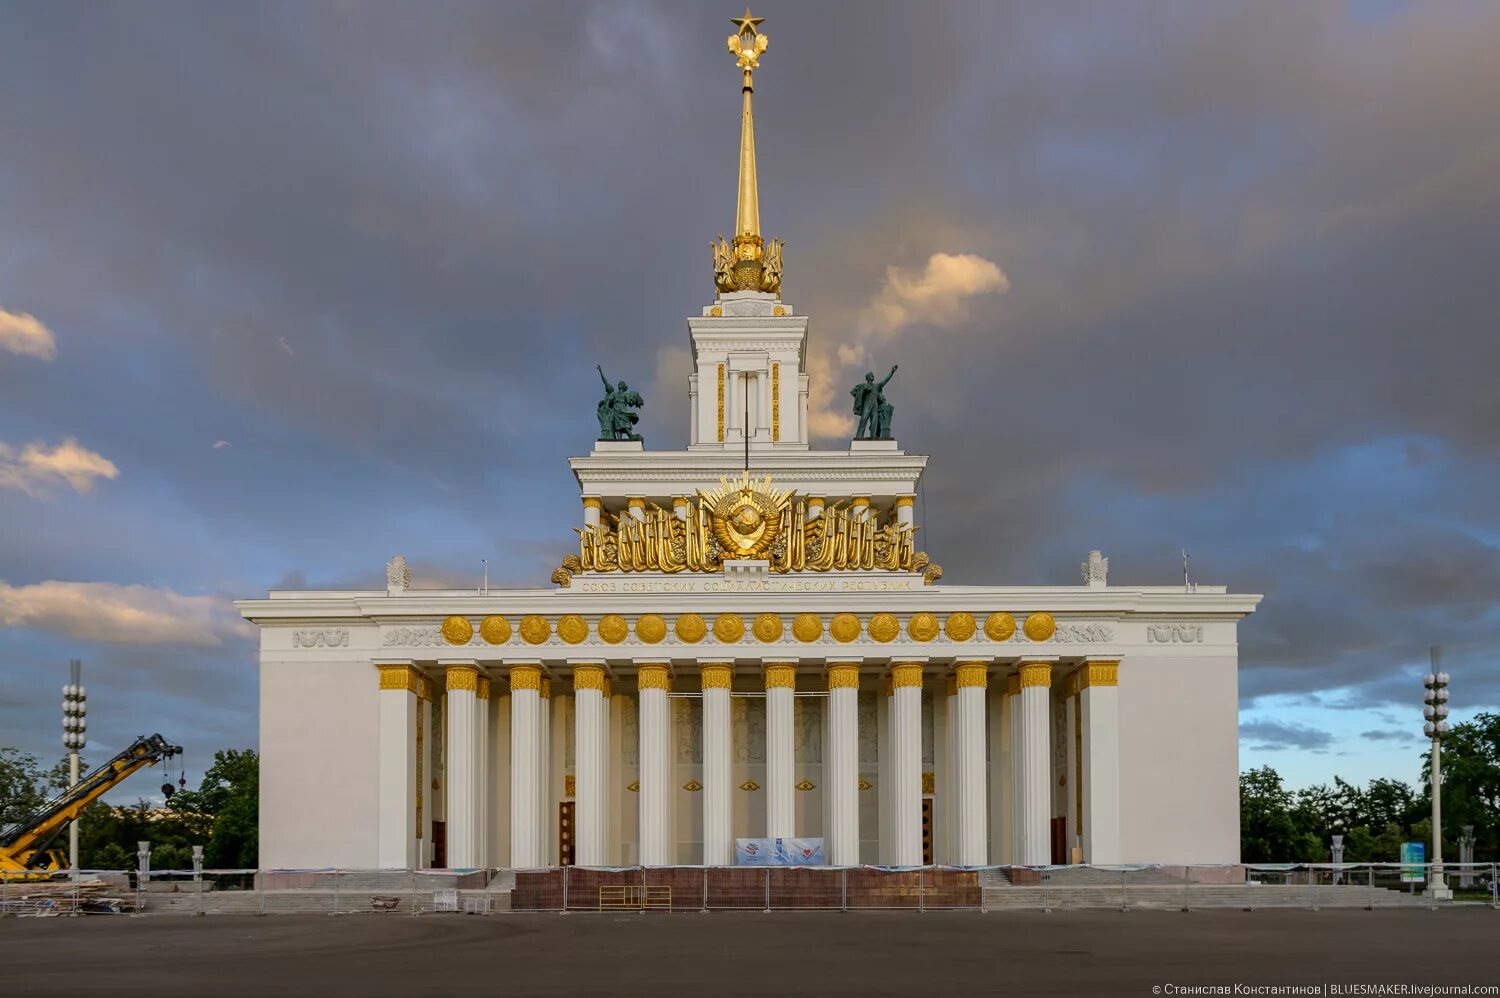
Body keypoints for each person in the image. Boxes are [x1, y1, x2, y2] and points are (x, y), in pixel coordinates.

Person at [849, 365, 897, 439]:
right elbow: (853, 392)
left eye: (873, 375)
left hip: (875, 405)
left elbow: (884, 381)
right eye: (871, 375)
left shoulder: (876, 386)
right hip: (867, 404)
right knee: (864, 419)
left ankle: (873, 436)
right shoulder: (864, 385)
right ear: (868, 377)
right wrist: (862, 393)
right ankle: (859, 436)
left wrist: (892, 372)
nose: (873, 376)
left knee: (874, 421)